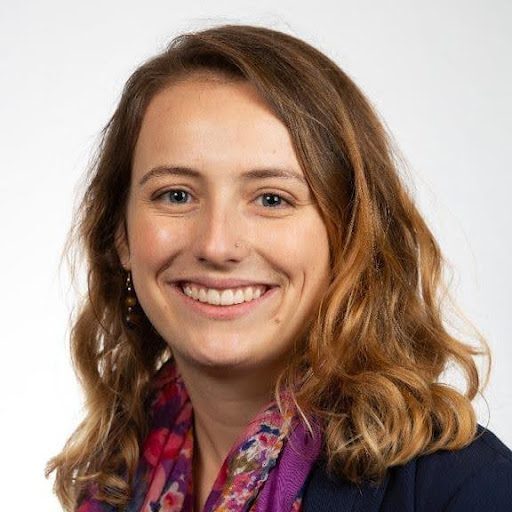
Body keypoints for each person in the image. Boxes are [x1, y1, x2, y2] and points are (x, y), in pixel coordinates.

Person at [46, 24, 512, 511]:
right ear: (120, 234)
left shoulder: (468, 490)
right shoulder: (114, 479)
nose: (217, 244)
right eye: (176, 195)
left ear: (348, 234)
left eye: (272, 198)